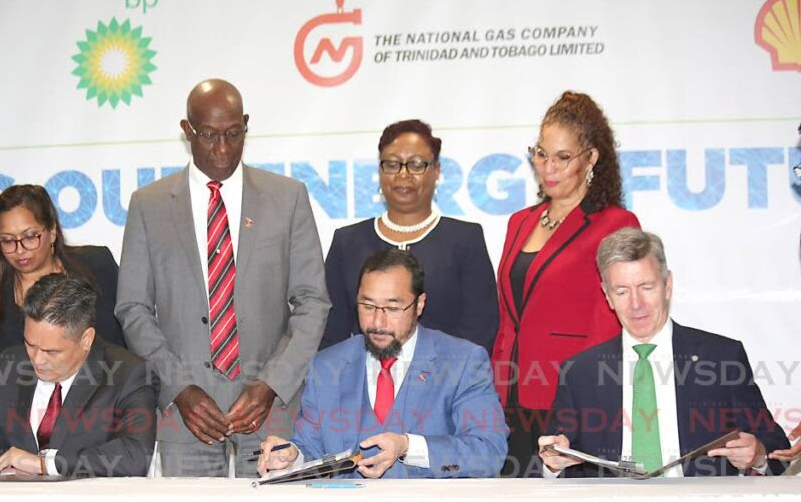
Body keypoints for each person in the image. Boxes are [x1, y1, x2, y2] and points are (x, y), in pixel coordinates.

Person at [116, 78, 330, 477]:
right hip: (187, 413)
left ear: (245, 124)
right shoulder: (149, 205)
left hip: (269, 407)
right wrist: (178, 388)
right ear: (187, 130)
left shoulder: (287, 197)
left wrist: (271, 383)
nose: (222, 149)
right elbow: (133, 308)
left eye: (234, 134)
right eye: (209, 135)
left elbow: (312, 301)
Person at [538, 228, 790, 477]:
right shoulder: (581, 371)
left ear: (667, 285)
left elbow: (777, 450)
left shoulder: (721, 357)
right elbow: (553, 457)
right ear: (607, 295)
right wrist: (552, 463)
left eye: (646, 287)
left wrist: (757, 455)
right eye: (622, 292)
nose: (636, 304)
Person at [257, 250, 507, 479]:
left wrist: (408, 446)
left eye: (392, 307)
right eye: (367, 306)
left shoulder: (463, 362)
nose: (377, 321)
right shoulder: (327, 366)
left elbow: (489, 452)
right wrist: (290, 457)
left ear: (419, 304)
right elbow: (310, 449)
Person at [492, 91, 640, 476]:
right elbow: (509, 319)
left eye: (562, 157)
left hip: (572, 398)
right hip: (511, 397)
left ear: (591, 158)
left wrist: (585, 399)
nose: (548, 167)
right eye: (541, 154)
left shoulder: (615, 224)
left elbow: (609, 324)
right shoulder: (519, 222)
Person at [321, 119, 498, 352]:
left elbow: (480, 330)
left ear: (436, 170)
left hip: (447, 381)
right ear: (380, 171)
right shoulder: (348, 242)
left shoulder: (465, 239)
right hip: (365, 382)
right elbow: (332, 333)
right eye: (393, 164)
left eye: (416, 164)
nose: (403, 175)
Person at [0, 274, 155, 477]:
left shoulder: (128, 373)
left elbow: (134, 458)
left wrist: (46, 464)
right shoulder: (10, 365)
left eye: (51, 352)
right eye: (30, 344)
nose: (37, 360)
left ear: (86, 339)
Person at [0, 184, 124, 406]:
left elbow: (124, 340)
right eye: (8, 241)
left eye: (29, 237)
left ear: (53, 231)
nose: (19, 250)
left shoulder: (97, 265)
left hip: (102, 410)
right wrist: (13, 411)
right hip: (20, 421)